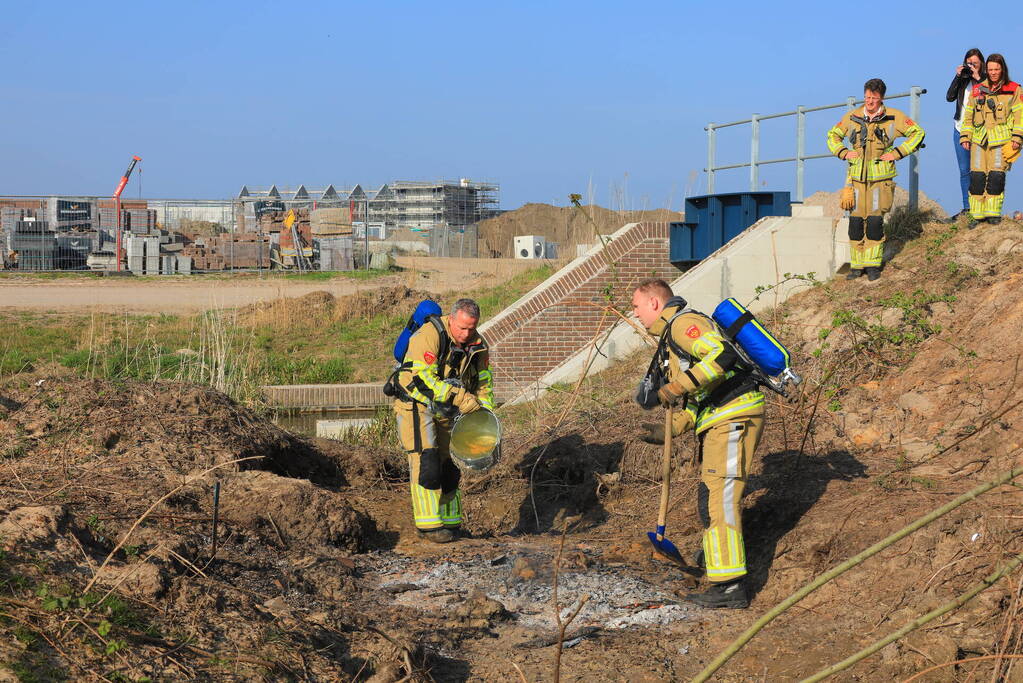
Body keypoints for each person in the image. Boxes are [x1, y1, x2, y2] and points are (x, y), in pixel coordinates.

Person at [633, 279, 765, 609]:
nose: (634, 314)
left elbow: (721, 356)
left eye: (636, 307)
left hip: (733, 415)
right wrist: (668, 429)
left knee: (720, 499)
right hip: (718, 417)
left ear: (653, 303)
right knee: (711, 497)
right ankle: (716, 562)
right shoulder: (670, 337)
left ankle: (731, 587)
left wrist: (674, 387)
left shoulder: (682, 325)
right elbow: (700, 398)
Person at [392, 298, 494, 543]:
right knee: (426, 459)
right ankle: (428, 525)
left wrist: (485, 413)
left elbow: (483, 384)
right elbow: (423, 379)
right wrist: (461, 397)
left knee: (449, 465)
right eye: (461, 328)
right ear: (452, 319)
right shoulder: (430, 334)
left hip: (447, 408)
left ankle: (451, 522)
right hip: (415, 402)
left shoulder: (478, 345)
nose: (466, 333)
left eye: (471, 328)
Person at [827, 78, 926, 281]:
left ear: (882, 98)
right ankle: (856, 266)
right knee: (855, 223)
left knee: (873, 222)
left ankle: (873, 265)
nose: (870, 101)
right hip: (856, 180)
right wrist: (844, 152)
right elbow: (832, 136)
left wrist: (897, 153)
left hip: (880, 181)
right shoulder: (852, 117)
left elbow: (918, 133)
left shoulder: (893, 117)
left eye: (874, 98)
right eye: (867, 97)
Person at [960, 53, 1023, 227]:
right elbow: (968, 116)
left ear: (1002, 69)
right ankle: (977, 216)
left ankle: (993, 214)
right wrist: (965, 136)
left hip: (1002, 140)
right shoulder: (977, 89)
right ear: (986, 70)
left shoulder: (1014, 89)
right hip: (979, 140)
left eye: (996, 69)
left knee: (996, 177)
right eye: (990, 69)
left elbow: (1020, 116)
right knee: (977, 177)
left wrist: (1017, 138)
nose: (993, 72)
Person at [947, 49, 986, 221]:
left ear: (981, 64)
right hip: (959, 129)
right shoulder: (963, 81)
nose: (971, 67)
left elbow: (991, 93)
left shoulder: (985, 80)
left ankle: (983, 207)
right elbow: (949, 97)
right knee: (964, 171)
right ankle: (967, 207)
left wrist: (978, 77)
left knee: (981, 170)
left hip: (979, 131)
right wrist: (958, 76)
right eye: (969, 63)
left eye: (975, 63)